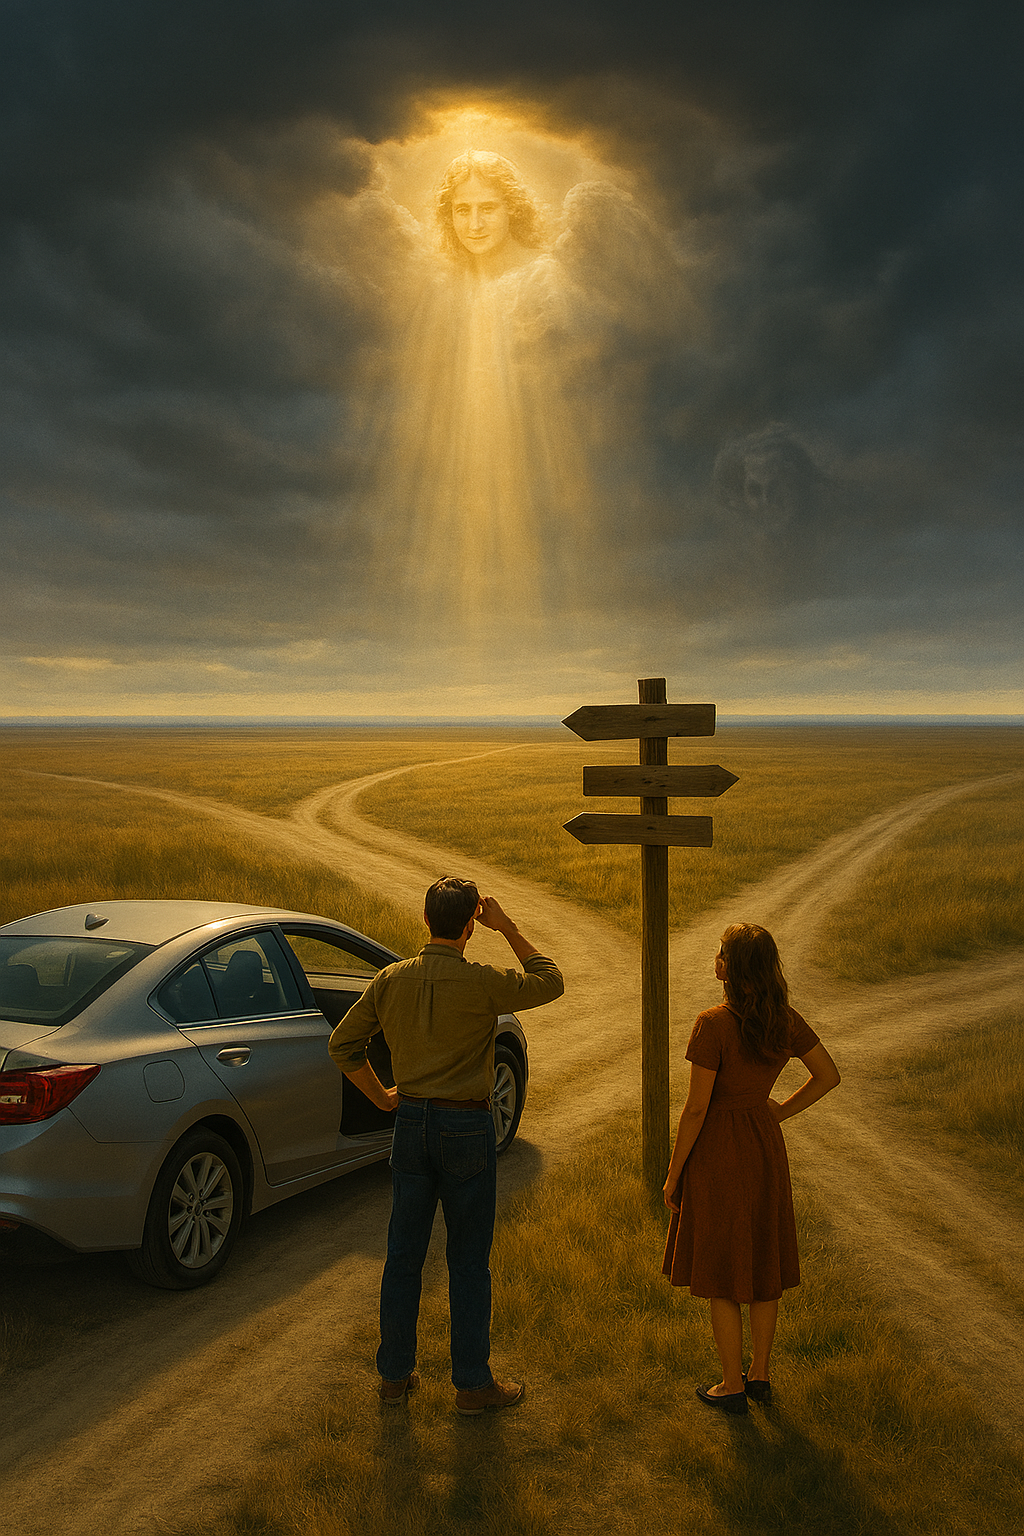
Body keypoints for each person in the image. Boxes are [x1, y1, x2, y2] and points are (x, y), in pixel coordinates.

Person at [328, 875, 564, 1414]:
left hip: (409, 1121)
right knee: (467, 1262)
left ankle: (393, 1377)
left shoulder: (390, 979)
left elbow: (342, 1044)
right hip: (467, 1127)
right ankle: (472, 1384)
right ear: (469, 927)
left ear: (425, 920)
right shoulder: (482, 981)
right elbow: (550, 980)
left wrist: (385, 1097)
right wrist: (506, 926)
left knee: (403, 1256)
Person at [662, 923, 840, 1415]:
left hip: (720, 1149)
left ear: (736, 967)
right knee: (762, 1262)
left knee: (721, 1272)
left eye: (722, 954)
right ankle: (759, 1376)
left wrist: (674, 1173)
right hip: (764, 1147)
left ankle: (730, 1385)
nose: (715, 959)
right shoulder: (783, 1020)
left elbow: (696, 1109)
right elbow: (828, 1075)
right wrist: (773, 1112)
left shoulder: (713, 1024)